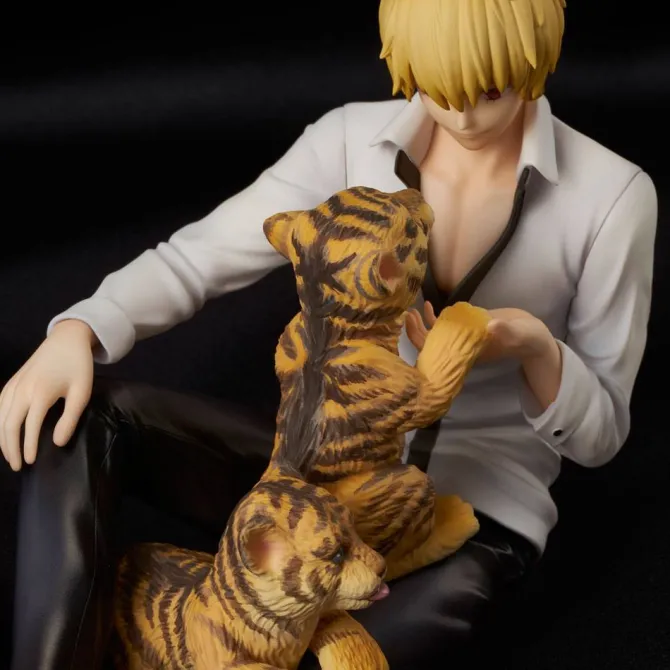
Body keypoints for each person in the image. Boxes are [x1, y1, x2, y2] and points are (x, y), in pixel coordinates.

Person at [2, 0, 658, 668]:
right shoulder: (350, 138)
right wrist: (80, 328)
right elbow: (201, 257)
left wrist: (534, 347)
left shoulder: (612, 196)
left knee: (351, 656)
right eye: (438, 90)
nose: (462, 118)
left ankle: (287, 616)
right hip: (309, 480)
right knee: (82, 418)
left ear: (537, 54)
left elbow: (602, 432)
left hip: (473, 511)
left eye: (490, 91)